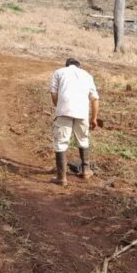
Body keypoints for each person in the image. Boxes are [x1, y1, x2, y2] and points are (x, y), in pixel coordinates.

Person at [50, 58, 99, 186]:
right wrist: (94, 118)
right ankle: (86, 171)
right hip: (82, 112)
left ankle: (61, 177)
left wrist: (59, 106)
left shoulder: (59, 72)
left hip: (64, 110)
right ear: (79, 66)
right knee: (83, 140)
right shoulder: (87, 75)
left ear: (67, 65)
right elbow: (94, 99)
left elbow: (53, 93)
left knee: (61, 142)